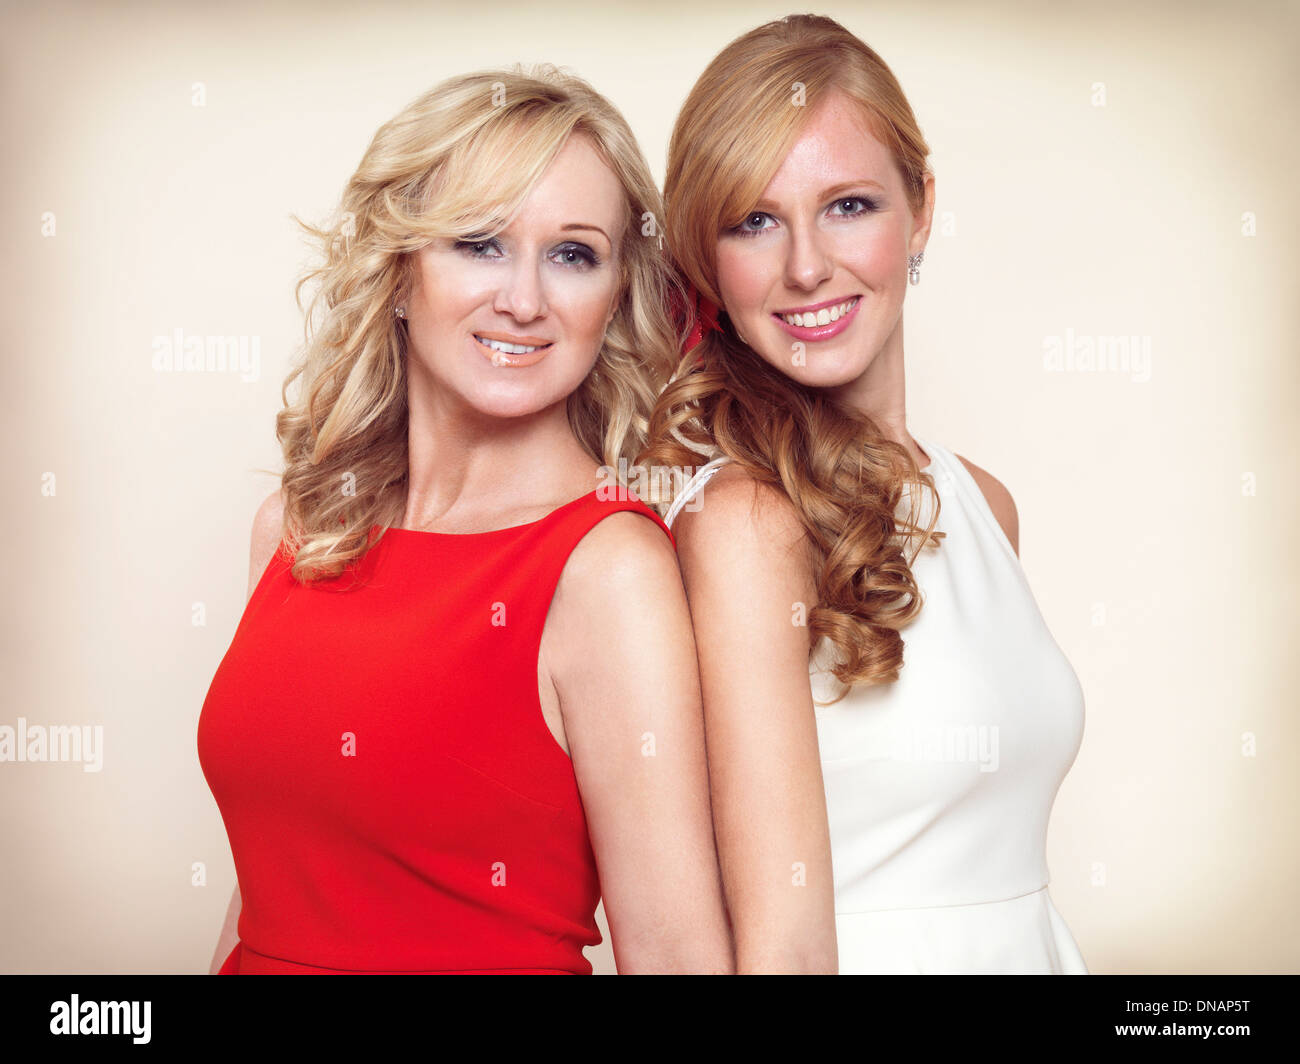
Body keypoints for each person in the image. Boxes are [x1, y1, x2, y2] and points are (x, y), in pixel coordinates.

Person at [198, 66, 732, 974]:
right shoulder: (295, 527)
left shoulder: (606, 569)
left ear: (614, 297)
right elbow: (273, 890)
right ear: (399, 271)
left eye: (573, 253)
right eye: (480, 243)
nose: (524, 299)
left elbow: (678, 953)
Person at [642, 14, 1087, 974]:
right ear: (707, 258)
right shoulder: (747, 523)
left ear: (921, 208)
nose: (806, 265)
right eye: (754, 221)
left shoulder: (983, 503)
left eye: (847, 204)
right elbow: (783, 951)